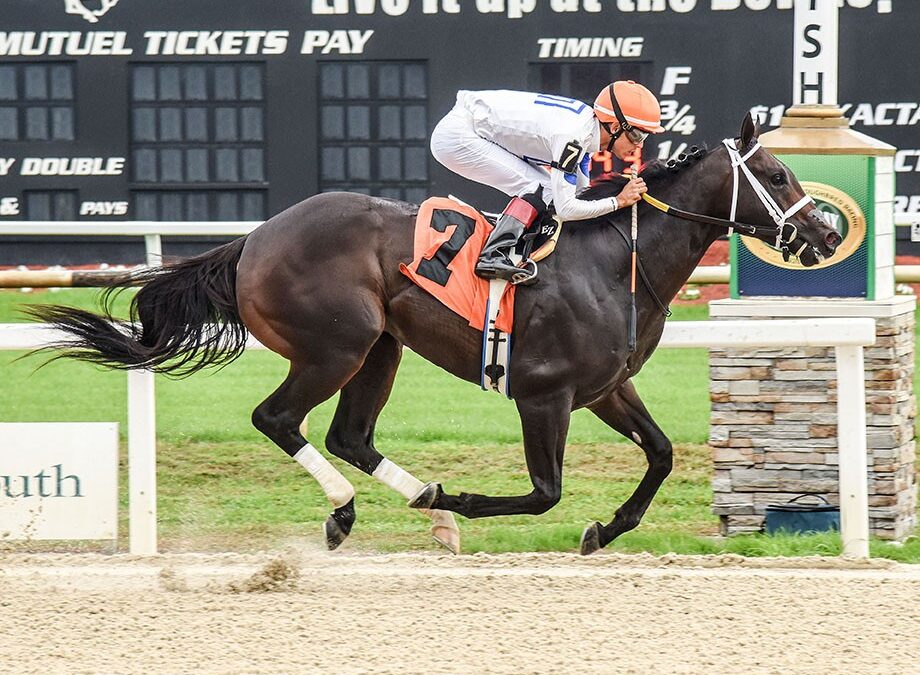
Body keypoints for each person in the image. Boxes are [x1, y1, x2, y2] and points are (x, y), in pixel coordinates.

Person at [430, 80, 665, 284]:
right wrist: (618, 201)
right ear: (615, 127)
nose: (641, 144)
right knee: (541, 190)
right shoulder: (573, 137)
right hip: (458, 136)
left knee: (549, 191)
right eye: (638, 135)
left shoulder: (587, 135)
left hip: (475, 126)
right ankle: (492, 255)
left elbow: (582, 195)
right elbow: (567, 209)